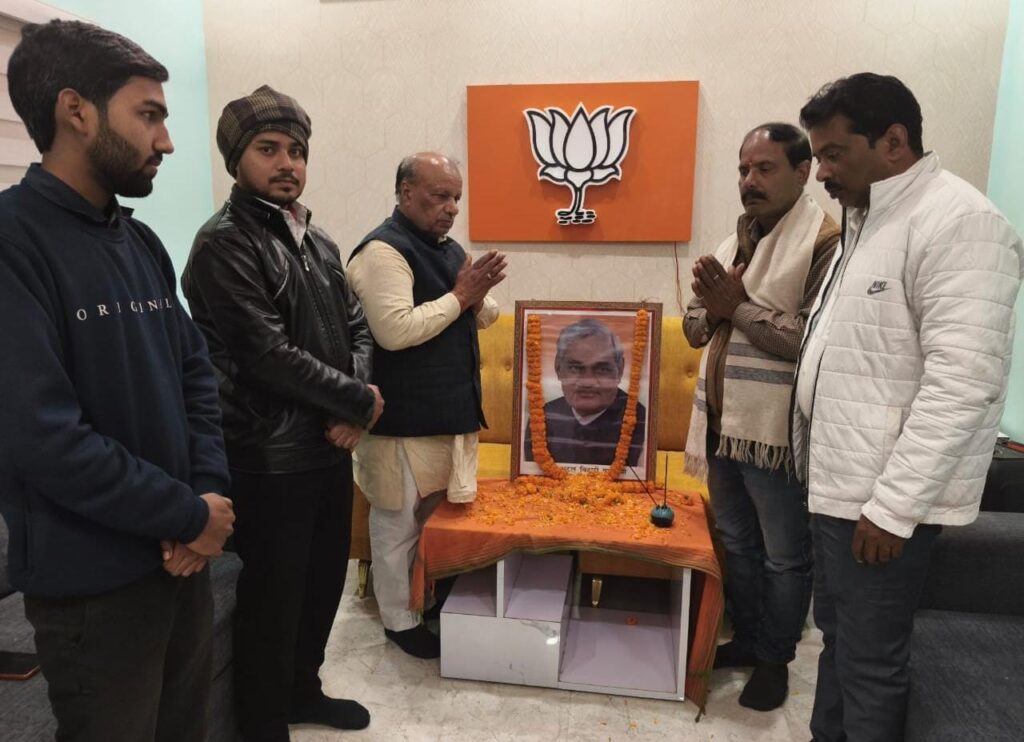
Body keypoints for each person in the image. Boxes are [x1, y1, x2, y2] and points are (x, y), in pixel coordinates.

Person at [0, 20, 234, 741]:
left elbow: (196, 374)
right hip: (92, 588)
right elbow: (44, 437)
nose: (166, 141)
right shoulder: (13, 242)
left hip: (181, 564)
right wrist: (186, 514)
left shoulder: (139, 241)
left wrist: (206, 495)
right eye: (149, 115)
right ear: (76, 111)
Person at [794, 73, 1023, 741]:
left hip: (880, 503)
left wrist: (893, 509)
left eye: (834, 154)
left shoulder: (962, 223)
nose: (821, 173)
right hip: (837, 488)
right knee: (838, 643)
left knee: (871, 663)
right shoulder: (870, 219)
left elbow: (963, 383)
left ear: (893, 142)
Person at [182, 86, 382, 741]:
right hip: (266, 456)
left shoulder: (318, 240)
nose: (287, 163)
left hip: (329, 447)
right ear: (236, 159)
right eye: (268, 149)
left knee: (322, 589)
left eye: (296, 150)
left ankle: (303, 693)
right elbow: (266, 354)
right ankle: (263, 723)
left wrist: (356, 409)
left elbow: (358, 328)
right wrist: (357, 400)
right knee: (273, 602)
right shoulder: (222, 244)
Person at [682, 122, 840, 711]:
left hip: (774, 434)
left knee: (783, 556)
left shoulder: (825, 242)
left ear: (802, 172)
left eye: (765, 168)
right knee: (737, 544)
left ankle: (775, 660)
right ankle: (748, 639)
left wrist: (737, 307)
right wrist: (715, 309)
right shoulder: (731, 244)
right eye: (744, 170)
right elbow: (694, 328)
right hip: (720, 425)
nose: (750, 180)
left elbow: (810, 339)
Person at [347, 152, 505, 659]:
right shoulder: (382, 251)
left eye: (456, 197)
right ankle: (399, 621)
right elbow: (394, 332)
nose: (452, 207)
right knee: (397, 526)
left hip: (446, 415)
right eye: (440, 196)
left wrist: (475, 294)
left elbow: (487, 315)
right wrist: (463, 295)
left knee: (436, 524)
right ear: (405, 192)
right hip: (400, 421)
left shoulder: (446, 247)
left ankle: (428, 601)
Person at [524, 318, 646, 467]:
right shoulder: (542, 418)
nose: (587, 382)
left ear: (619, 370)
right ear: (558, 368)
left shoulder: (642, 422)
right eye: (575, 368)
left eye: (602, 369)